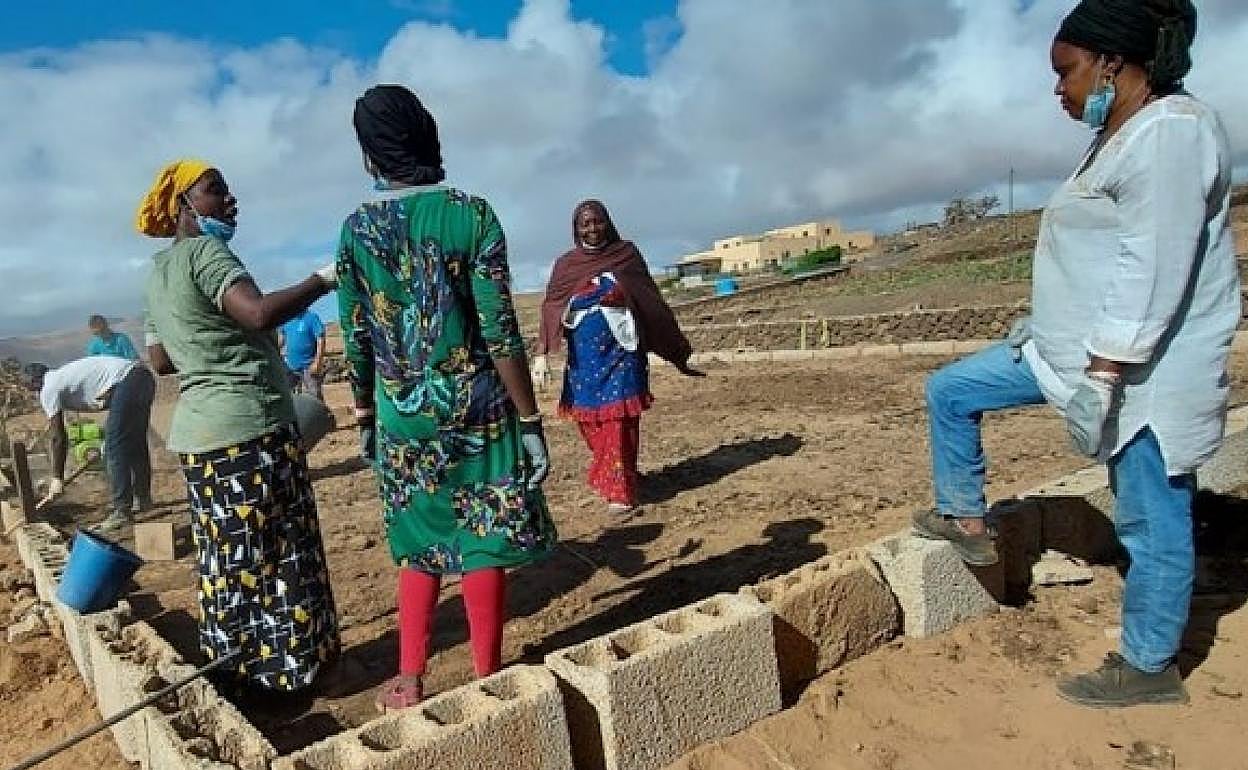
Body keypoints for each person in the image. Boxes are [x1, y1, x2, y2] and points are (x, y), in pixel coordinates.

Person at [915, 0, 1238, 708]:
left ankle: (1150, 666)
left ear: (1112, 63)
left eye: (1065, 72)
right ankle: (966, 519)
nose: (1058, 91)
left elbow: (1153, 266)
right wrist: (1045, 321)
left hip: (1138, 374)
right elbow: (1095, 252)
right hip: (1064, 354)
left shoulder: (1171, 135)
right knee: (952, 391)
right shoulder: (1121, 136)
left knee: (1150, 518)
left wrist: (1105, 373)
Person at [337, 84, 556, 710]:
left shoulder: (356, 230)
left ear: (370, 153)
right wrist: (530, 417)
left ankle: (409, 675)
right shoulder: (472, 214)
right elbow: (499, 327)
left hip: (403, 415)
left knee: (420, 532)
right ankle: (489, 675)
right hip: (480, 409)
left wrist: (363, 415)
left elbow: (357, 336)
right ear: (426, 134)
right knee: (483, 533)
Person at [136, 158, 341, 692]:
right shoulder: (208, 252)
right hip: (249, 429)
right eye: (215, 190)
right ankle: (286, 674)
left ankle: (234, 671)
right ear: (184, 204)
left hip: (200, 439)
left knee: (228, 558)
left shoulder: (157, 272)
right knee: (280, 548)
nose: (230, 200)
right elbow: (258, 315)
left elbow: (159, 360)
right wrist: (323, 280)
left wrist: (204, 353)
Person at [535, 200, 702, 515]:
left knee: (619, 421)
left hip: (623, 355)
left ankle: (619, 493)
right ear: (576, 228)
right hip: (583, 361)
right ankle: (620, 471)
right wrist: (541, 354)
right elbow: (551, 305)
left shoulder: (625, 254)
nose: (592, 229)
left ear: (607, 223)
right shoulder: (566, 265)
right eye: (585, 224)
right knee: (590, 422)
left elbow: (649, 298)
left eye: (597, 222)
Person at [35, 355, 155, 531]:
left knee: (114, 449)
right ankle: (143, 499)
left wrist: (57, 478)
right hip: (144, 377)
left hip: (128, 382)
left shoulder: (48, 388)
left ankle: (122, 511)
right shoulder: (60, 377)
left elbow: (58, 437)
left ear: (34, 383)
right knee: (135, 442)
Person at [279, 308, 327, 400]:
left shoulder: (312, 318)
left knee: (315, 396)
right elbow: (281, 339)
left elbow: (321, 340)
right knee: (291, 397)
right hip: (291, 366)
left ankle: (320, 414)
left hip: (309, 366)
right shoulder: (286, 319)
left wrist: (318, 362)